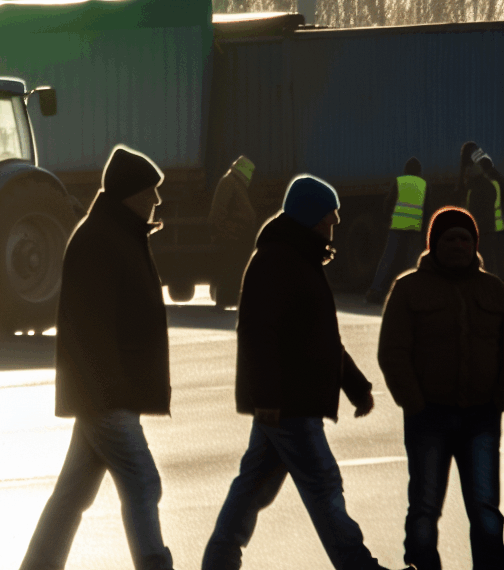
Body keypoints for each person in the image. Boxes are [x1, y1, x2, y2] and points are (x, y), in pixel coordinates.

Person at [201, 175, 408, 570]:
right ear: (310, 218)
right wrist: (268, 400)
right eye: (328, 220)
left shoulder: (298, 258)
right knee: (324, 485)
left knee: (251, 490)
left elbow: (322, 338)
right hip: (288, 403)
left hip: (285, 403)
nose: (333, 227)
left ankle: (218, 562)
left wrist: (356, 385)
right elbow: (259, 337)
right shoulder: (279, 261)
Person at [18, 145, 176, 570]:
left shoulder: (116, 235)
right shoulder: (102, 241)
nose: (157, 201)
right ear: (131, 195)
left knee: (72, 495)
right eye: (151, 193)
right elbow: (90, 332)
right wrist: (112, 394)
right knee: (143, 481)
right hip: (106, 396)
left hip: (106, 393)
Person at [378, 206, 504, 570]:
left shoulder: (494, 289)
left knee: (485, 507)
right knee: (424, 508)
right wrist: (415, 404)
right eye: (450, 238)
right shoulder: (408, 288)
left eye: (465, 239)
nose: (458, 245)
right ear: (434, 243)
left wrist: (498, 398)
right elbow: (393, 353)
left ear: (474, 244)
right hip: (428, 418)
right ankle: (422, 566)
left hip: (481, 418)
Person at [366, 157, 428, 304]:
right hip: (415, 228)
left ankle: (376, 290)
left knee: (388, 259)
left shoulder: (400, 182)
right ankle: (411, 293)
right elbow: (427, 209)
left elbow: (388, 203)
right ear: (419, 171)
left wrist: (387, 220)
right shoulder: (424, 185)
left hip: (397, 227)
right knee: (412, 262)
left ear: (405, 170)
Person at [207, 155, 257, 309]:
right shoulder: (229, 183)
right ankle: (225, 300)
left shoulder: (235, 184)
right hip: (231, 237)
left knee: (234, 269)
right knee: (229, 269)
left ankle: (230, 300)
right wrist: (228, 232)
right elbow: (218, 213)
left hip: (236, 236)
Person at [458, 143, 502, 276]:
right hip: (494, 228)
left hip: (486, 229)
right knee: (495, 264)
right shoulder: (494, 181)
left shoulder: (480, 186)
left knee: (487, 263)